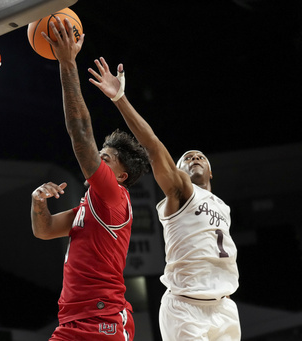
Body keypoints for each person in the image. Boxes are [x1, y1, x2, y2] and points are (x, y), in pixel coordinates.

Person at [88, 58, 241, 340]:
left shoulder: (223, 208)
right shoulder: (181, 191)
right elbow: (153, 146)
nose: (194, 158)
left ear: (211, 170)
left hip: (224, 305)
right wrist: (120, 98)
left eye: (200, 157)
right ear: (176, 171)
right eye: (186, 158)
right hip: (186, 307)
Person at [30, 17, 149, 340]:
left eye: (105, 158)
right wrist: (38, 202)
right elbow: (43, 230)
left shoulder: (113, 197)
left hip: (103, 320)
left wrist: (67, 63)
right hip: (71, 321)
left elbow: (81, 135)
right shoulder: (91, 206)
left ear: (121, 176)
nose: (97, 160)